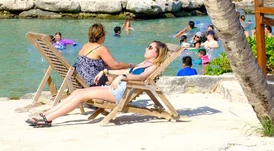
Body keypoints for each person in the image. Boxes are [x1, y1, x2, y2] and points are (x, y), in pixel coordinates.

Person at [26, 41, 168, 127]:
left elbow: (140, 77)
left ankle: (48, 119)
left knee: (81, 95)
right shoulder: (145, 63)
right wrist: (107, 72)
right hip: (117, 87)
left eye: (150, 48)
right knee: (77, 92)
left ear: (157, 53)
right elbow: (127, 71)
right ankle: (46, 114)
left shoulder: (153, 67)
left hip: (119, 92)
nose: (146, 48)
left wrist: (122, 77)